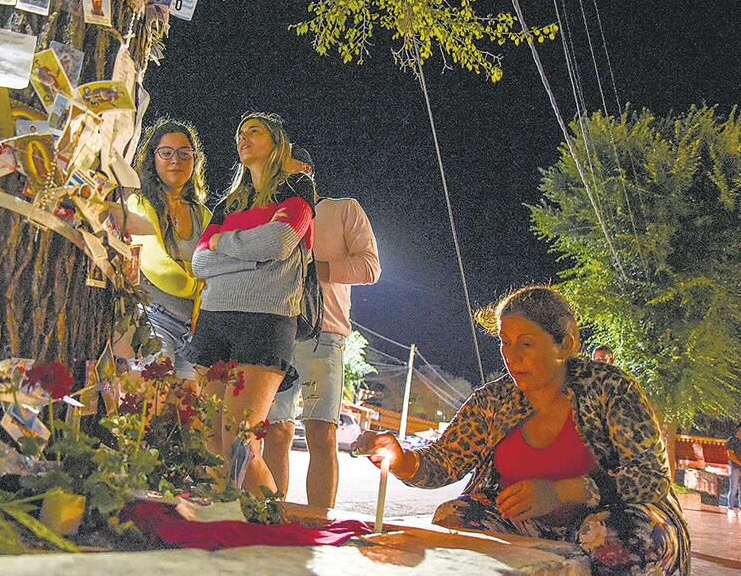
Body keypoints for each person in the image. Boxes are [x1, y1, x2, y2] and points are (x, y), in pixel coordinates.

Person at [353, 285, 690, 575]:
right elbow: (445, 461)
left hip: (607, 521)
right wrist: (400, 459)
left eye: (525, 344)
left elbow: (650, 477)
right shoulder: (494, 400)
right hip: (523, 522)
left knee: (614, 536)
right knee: (454, 517)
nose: (511, 356)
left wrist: (561, 491)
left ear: (564, 345)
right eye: (504, 342)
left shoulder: (610, 390)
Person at [189, 112, 316, 497]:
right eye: (239, 132)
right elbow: (198, 261)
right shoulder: (229, 204)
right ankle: (218, 521)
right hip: (214, 320)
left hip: (264, 321)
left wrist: (223, 248)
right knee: (209, 438)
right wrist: (251, 257)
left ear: (278, 143)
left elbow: (279, 243)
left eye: (254, 131)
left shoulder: (297, 191)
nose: (243, 137)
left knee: (240, 439)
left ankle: (267, 524)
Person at [263, 145, 381, 508]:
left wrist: (313, 271)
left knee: (322, 433)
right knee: (276, 432)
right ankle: (270, 515)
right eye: (283, 174)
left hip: (324, 333)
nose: (291, 180)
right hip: (275, 334)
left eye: (297, 172)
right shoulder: (271, 217)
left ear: (311, 172)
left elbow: (370, 267)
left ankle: (319, 521)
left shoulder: (343, 209)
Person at [127, 118, 211, 385]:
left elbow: (221, 270)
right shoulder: (138, 203)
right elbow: (157, 267)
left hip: (195, 329)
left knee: (188, 418)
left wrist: (192, 276)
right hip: (153, 321)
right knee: (152, 405)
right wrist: (198, 282)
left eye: (185, 153)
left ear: (194, 161)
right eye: (166, 152)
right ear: (153, 159)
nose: (176, 160)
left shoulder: (203, 215)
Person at [727, 423, 741, 512]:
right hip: (735, 467)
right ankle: (730, 507)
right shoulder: (732, 440)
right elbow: (730, 455)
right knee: (734, 488)